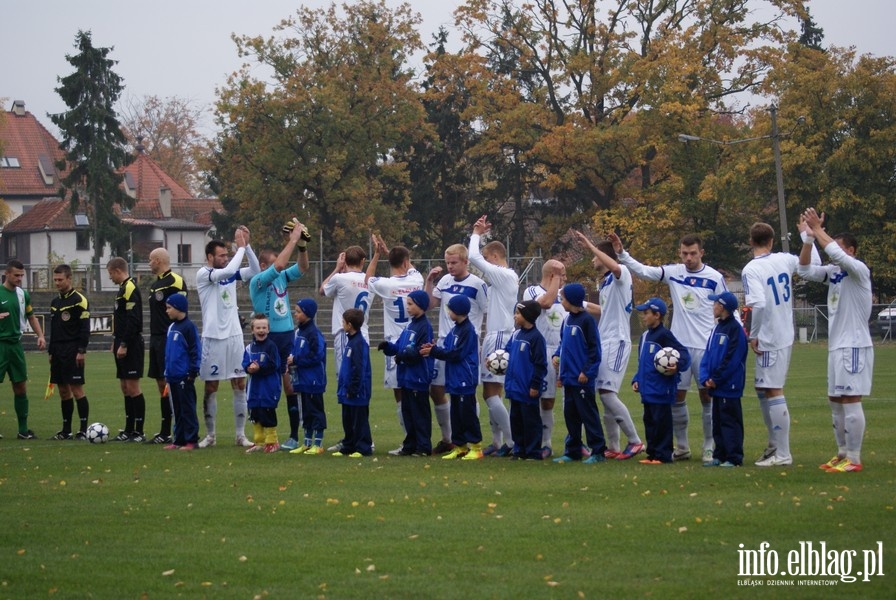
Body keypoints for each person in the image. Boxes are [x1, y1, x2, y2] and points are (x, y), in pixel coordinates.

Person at [611, 232, 730, 462]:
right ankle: (682, 446)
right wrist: (622, 254)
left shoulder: (714, 277)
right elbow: (644, 271)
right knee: (677, 396)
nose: (688, 258)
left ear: (701, 253)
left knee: (707, 396)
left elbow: (727, 305)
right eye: (684, 253)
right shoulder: (675, 273)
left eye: (693, 253)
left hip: (706, 346)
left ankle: (708, 445)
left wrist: (734, 332)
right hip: (678, 348)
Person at [798, 207, 873, 473]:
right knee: (835, 400)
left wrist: (818, 229)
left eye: (839, 248)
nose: (831, 251)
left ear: (850, 251)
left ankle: (854, 458)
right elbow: (805, 270)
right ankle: (841, 454)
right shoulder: (834, 273)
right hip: (836, 345)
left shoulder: (858, 270)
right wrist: (808, 238)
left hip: (854, 344)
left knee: (851, 399)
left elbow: (834, 252)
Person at [741, 221, 818, 467]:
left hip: (770, 336)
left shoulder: (751, 269)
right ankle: (774, 445)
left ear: (751, 241)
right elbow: (811, 265)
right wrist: (808, 238)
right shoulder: (784, 258)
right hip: (784, 332)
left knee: (773, 390)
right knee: (763, 389)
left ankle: (783, 453)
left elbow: (759, 304)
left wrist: (754, 334)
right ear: (772, 240)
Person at [574, 231, 644, 460]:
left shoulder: (621, 273)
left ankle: (634, 441)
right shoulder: (605, 284)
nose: (592, 260)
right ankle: (613, 446)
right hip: (606, 341)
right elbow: (605, 311)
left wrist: (590, 245)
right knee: (603, 394)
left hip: (617, 341)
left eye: (595, 256)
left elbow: (615, 266)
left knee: (607, 393)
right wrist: (579, 304)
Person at [196, 226, 261, 448]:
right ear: (210, 257)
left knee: (239, 383)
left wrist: (247, 245)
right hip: (213, 338)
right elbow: (225, 272)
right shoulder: (204, 274)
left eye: (227, 255)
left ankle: (240, 435)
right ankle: (211, 435)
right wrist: (240, 249)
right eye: (221, 255)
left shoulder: (230, 272)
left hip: (234, 336)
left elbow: (255, 269)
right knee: (211, 386)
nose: (225, 258)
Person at [249, 218, 310, 451]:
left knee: (289, 387)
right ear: (264, 266)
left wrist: (302, 245)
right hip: (267, 338)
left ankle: (293, 435)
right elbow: (280, 265)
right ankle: (264, 437)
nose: (280, 265)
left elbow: (303, 267)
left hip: (286, 336)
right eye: (274, 263)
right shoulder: (258, 281)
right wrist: (293, 240)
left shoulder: (282, 276)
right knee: (264, 387)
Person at [425, 244, 488, 453]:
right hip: (444, 343)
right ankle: (451, 440)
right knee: (440, 390)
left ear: (465, 261)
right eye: (447, 263)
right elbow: (429, 304)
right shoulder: (444, 281)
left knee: (466, 394)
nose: (450, 267)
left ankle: (473, 443)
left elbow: (487, 310)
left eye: (454, 262)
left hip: (465, 344)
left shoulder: (478, 285)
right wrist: (429, 281)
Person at [365, 234, 424, 453]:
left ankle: (409, 440)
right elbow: (409, 266)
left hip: (394, 344)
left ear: (390, 263)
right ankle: (418, 438)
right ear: (407, 262)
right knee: (416, 391)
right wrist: (391, 252)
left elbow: (367, 279)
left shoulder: (386, 285)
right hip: (415, 339)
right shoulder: (416, 280)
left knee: (399, 394)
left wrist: (377, 254)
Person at [467, 215, 516, 456]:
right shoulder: (504, 277)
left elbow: (473, 257)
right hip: (498, 334)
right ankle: (497, 442)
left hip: (498, 336)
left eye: (488, 260)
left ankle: (509, 441)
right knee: (494, 392)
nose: (484, 265)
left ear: (495, 258)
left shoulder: (503, 274)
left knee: (489, 392)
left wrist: (476, 233)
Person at [420, 295, 483, 460]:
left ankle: (476, 447)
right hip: (454, 379)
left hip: (465, 379)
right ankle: (460, 446)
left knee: (467, 414)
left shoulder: (468, 331)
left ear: (458, 311)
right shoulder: (454, 329)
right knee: (456, 415)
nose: (448, 312)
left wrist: (434, 352)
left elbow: (456, 354)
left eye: (450, 309)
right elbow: (446, 348)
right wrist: (433, 347)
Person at [551, 283, 607, 464]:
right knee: (571, 416)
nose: (562, 301)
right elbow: (563, 343)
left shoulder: (587, 321)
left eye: (564, 298)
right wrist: (556, 355)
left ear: (572, 300)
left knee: (588, 415)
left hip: (582, 379)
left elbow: (595, 350)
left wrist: (587, 372)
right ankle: (573, 450)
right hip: (568, 378)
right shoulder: (567, 319)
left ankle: (598, 451)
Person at [632, 298, 691, 464]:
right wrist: (637, 379)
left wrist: (676, 366)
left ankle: (663, 455)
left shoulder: (665, 335)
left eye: (646, 313)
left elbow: (684, 354)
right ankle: (652, 454)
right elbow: (642, 362)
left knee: (662, 422)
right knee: (649, 421)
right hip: (648, 389)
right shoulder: (644, 337)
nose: (643, 317)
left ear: (657, 315)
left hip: (661, 389)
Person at [378, 290, 434, 456]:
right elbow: (400, 347)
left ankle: (423, 447)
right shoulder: (410, 326)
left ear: (421, 306)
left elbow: (419, 351)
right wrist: (388, 347)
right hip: (406, 377)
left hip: (417, 377)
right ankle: (410, 445)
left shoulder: (425, 326)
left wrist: (401, 355)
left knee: (419, 414)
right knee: (408, 412)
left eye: (411, 304)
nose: (407, 307)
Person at [521, 259, 567, 458]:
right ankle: (543, 443)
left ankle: (574, 442)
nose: (565, 278)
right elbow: (545, 303)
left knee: (568, 400)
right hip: (541, 351)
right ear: (552, 275)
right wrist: (557, 280)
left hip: (563, 351)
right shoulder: (531, 291)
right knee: (543, 400)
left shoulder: (564, 295)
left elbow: (583, 306)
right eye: (562, 274)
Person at [699, 292, 748, 467]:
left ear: (723, 307)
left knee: (730, 421)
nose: (713, 307)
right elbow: (708, 354)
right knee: (717, 420)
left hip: (729, 385)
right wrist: (705, 377)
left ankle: (734, 457)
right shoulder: (716, 328)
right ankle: (719, 454)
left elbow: (733, 358)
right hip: (716, 384)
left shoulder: (735, 330)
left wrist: (717, 378)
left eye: (715, 304)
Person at [0, 259, 46, 439]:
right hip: (0, 345)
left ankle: (23, 430)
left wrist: (40, 335)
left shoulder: (22, 295)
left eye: (21, 275)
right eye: (16, 275)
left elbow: (31, 316)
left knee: (20, 386)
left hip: (15, 346)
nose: (19, 278)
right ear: (7, 274)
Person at [146, 247, 187, 445]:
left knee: (171, 383)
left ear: (159, 260)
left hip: (168, 338)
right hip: (155, 339)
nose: (149, 263)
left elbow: (181, 309)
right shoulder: (156, 284)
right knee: (161, 383)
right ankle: (164, 430)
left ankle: (174, 428)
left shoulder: (175, 281)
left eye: (150, 260)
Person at [47, 264, 91, 440]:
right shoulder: (55, 302)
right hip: (57, 351)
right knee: (63, 391)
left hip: (73, 350)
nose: (57, 283)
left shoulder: (79, 300)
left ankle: (83, 429)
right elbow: (53, 329)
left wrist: (81, 350)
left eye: (60, 279)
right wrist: (51, 351)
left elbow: (85, 328)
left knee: (77, 389)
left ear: (69, 279)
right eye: (55, 280)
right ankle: (66, 430)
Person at [107, 257, 147, 442]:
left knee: (133, 386)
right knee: (124, 387)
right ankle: (128, 429)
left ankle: (139, 431)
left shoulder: (130, 288)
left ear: (117, 270)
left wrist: (124, 344)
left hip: (131, 345)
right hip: (121, 343)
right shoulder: (122, 289)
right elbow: (121, 320)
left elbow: (133, 319)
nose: (110, 278)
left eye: (110, 274)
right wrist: (116, 340)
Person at [504, 301, 547, 460]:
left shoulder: (536, 338)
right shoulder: (516, 335)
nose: (515, 316)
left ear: (527, 316)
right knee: (515, 420)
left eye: (518, 313)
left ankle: (533, 451)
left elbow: (540, 364)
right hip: (514, 388)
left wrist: (535, 385)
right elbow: (506, 353)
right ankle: (519, 449)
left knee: (530, 421)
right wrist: (494, 358)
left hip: (527, 389)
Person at [321, 245, 370, 379]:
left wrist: (337, 268)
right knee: (361, 376)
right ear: (363, 261)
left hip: (345, 333)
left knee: (345, 375)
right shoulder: (370, 280)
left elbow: (322, 290)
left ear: (344, 261)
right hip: (364, 333)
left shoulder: (339, 278)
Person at [288, 298, 328, 455]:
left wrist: (296, 360)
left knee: (315, 410)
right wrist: (291, 359)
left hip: (313, 380)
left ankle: (318, 444)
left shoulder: (313, 333)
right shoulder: (300, 332)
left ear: (308, 314)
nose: (295, 314)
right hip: (302, 379)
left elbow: (317, 355)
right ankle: (306, 442)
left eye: (298, 312)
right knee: (305, 411)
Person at [162, 293, 201, 451]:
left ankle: (191, 440)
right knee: (176, 409)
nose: (167, 311)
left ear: (178, 308)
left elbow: (195, 350)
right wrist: (167, 372)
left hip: (184, 376)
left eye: (169, 308)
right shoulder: (171, 327)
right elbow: (169, 353)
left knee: (187, 408)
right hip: (172, 376)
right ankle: (178, 439)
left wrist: (193, 371)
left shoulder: (189, 327)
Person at [333, 308, 373, 457]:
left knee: (359, 420)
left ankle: (363, 447)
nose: (342, 324)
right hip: (347, 390)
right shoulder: (351, 341)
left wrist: (354, 388)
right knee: (348, 419)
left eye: (343, 322)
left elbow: (359, 368)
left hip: (357, 391)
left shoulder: (359, 343)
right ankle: (348, 445)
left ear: (349, 325)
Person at [242, 315, 282, 454]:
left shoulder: (271, 347)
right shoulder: (249, 347)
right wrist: (248, 367)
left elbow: (274, 364)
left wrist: (260, 368)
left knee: (267, 413)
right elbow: (245, 362)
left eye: (264, 327)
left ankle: (272, 441)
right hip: (253, 389)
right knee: (255, 415)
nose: (261, 330)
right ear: (252, 330)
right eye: (258, 327)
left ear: (268, 330)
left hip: (268, 388)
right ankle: (259, 441)